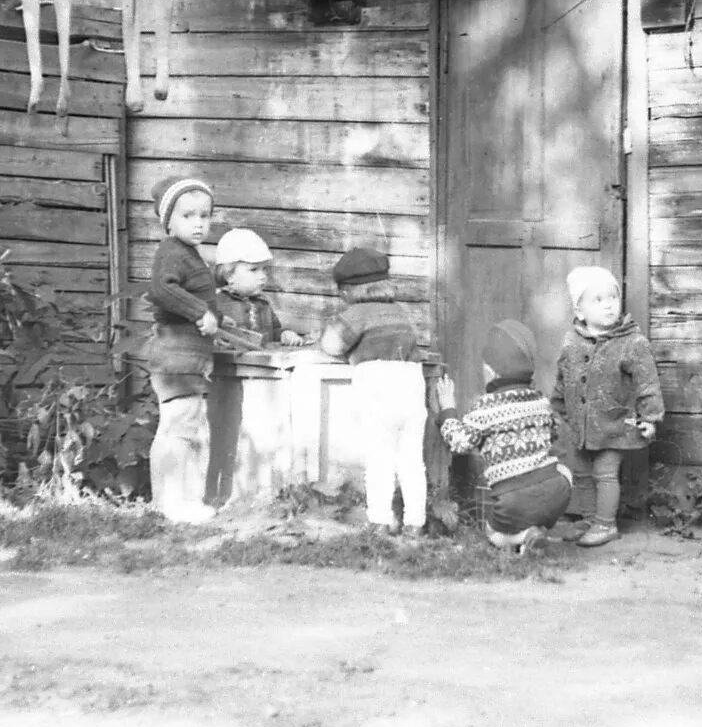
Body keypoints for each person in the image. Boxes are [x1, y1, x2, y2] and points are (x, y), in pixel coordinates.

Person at [435, 319, 572, 555]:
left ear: (490, 371)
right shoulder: (541, 402)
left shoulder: (486, 408)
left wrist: (448, 409)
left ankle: (523, 536)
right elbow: (554, 434)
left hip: (513, 503)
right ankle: (537, 529)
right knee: (565, 472)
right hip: (556, 492)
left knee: (493, 532)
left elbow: (459, 443)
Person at [319, 247, 428, 538]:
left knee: (380, 456)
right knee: (411, 459)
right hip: (412, 383)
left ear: (347, 291)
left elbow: (332, 345)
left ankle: (379, 520)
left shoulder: (355, 314)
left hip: (378, 385)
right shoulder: (400, 313)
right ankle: (415, 522)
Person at [552, 266, 664, 548]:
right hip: (582, 425)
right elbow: (563, 376)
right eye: (598, 300)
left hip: (616, 424)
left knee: (604, 471)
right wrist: (558, 406)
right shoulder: (571, 341)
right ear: (580, 311)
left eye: (612, 298)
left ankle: (606, 524)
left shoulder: (632, 342)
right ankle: (591, 518)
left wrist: (650, 417)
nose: (608, 305)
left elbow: (647, 381)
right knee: (581, 472)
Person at [143, 174, 223, 523]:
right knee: (179, 430)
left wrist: (218, 317)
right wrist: (199, 312)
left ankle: (180, 501)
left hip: (188, 359)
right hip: (176, 357)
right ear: (168, 221)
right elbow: (162, 290)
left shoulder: (188, 254)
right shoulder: (171, 252)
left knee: (185, 429)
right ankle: (174, 504)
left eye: (204, 216)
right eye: (187, 216)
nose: (198, 224)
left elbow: (198, 295)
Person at [213, 227, 305, 348]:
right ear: (229, 275)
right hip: (231, 365)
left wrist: (285, 334)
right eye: (253, 269)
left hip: (262, 363)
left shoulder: (263, 304)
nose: (262, 276)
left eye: (264, 269)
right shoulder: (217, 303)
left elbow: (274, 332)